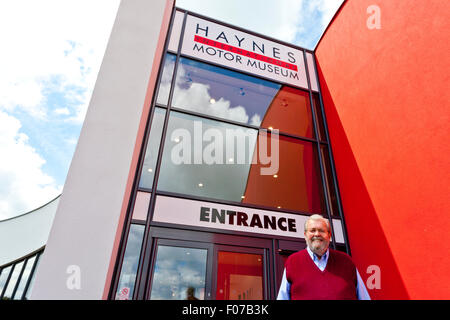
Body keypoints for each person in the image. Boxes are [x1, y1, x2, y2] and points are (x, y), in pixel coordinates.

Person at [277, 214, 370, 300]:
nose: (317, 234)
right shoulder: (293, 262)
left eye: (321, 230)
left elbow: (364, 297)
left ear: (329, 235)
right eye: (312, 230)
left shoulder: (346, 262)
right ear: (305, 235)